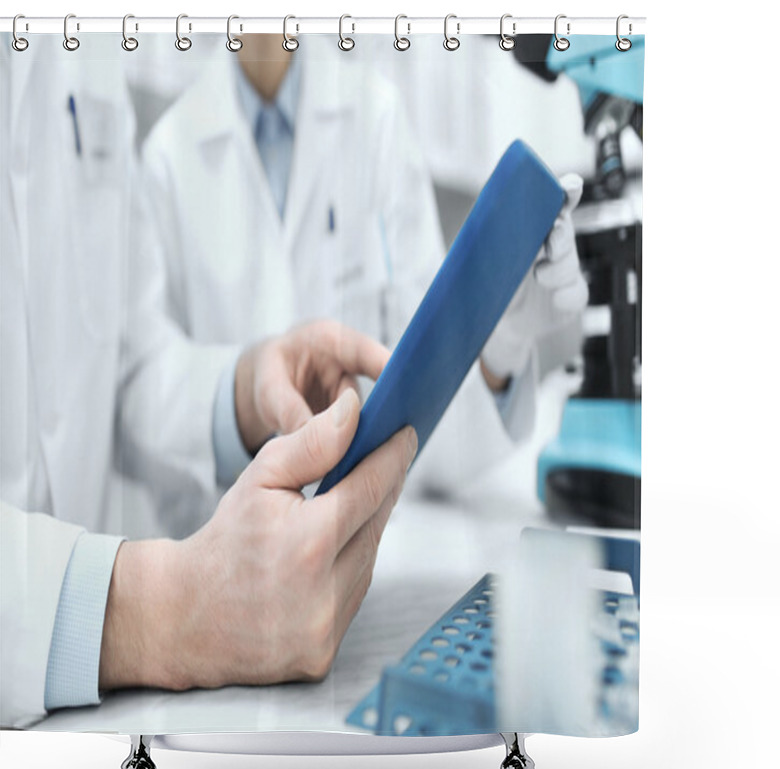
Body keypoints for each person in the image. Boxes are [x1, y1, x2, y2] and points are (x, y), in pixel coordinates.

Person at [0, 36, 415, 729]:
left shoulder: (79, 43)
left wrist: (246, 390)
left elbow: (126, 362)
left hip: (86, 716)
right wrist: (158, 611)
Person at [140, 34, 587, 524]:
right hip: (229, 557)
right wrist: (242, 401)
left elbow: (430, 434)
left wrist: (502, 340)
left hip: (376, 553)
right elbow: (147, 417)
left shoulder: (378, 120)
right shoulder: (167, 156)